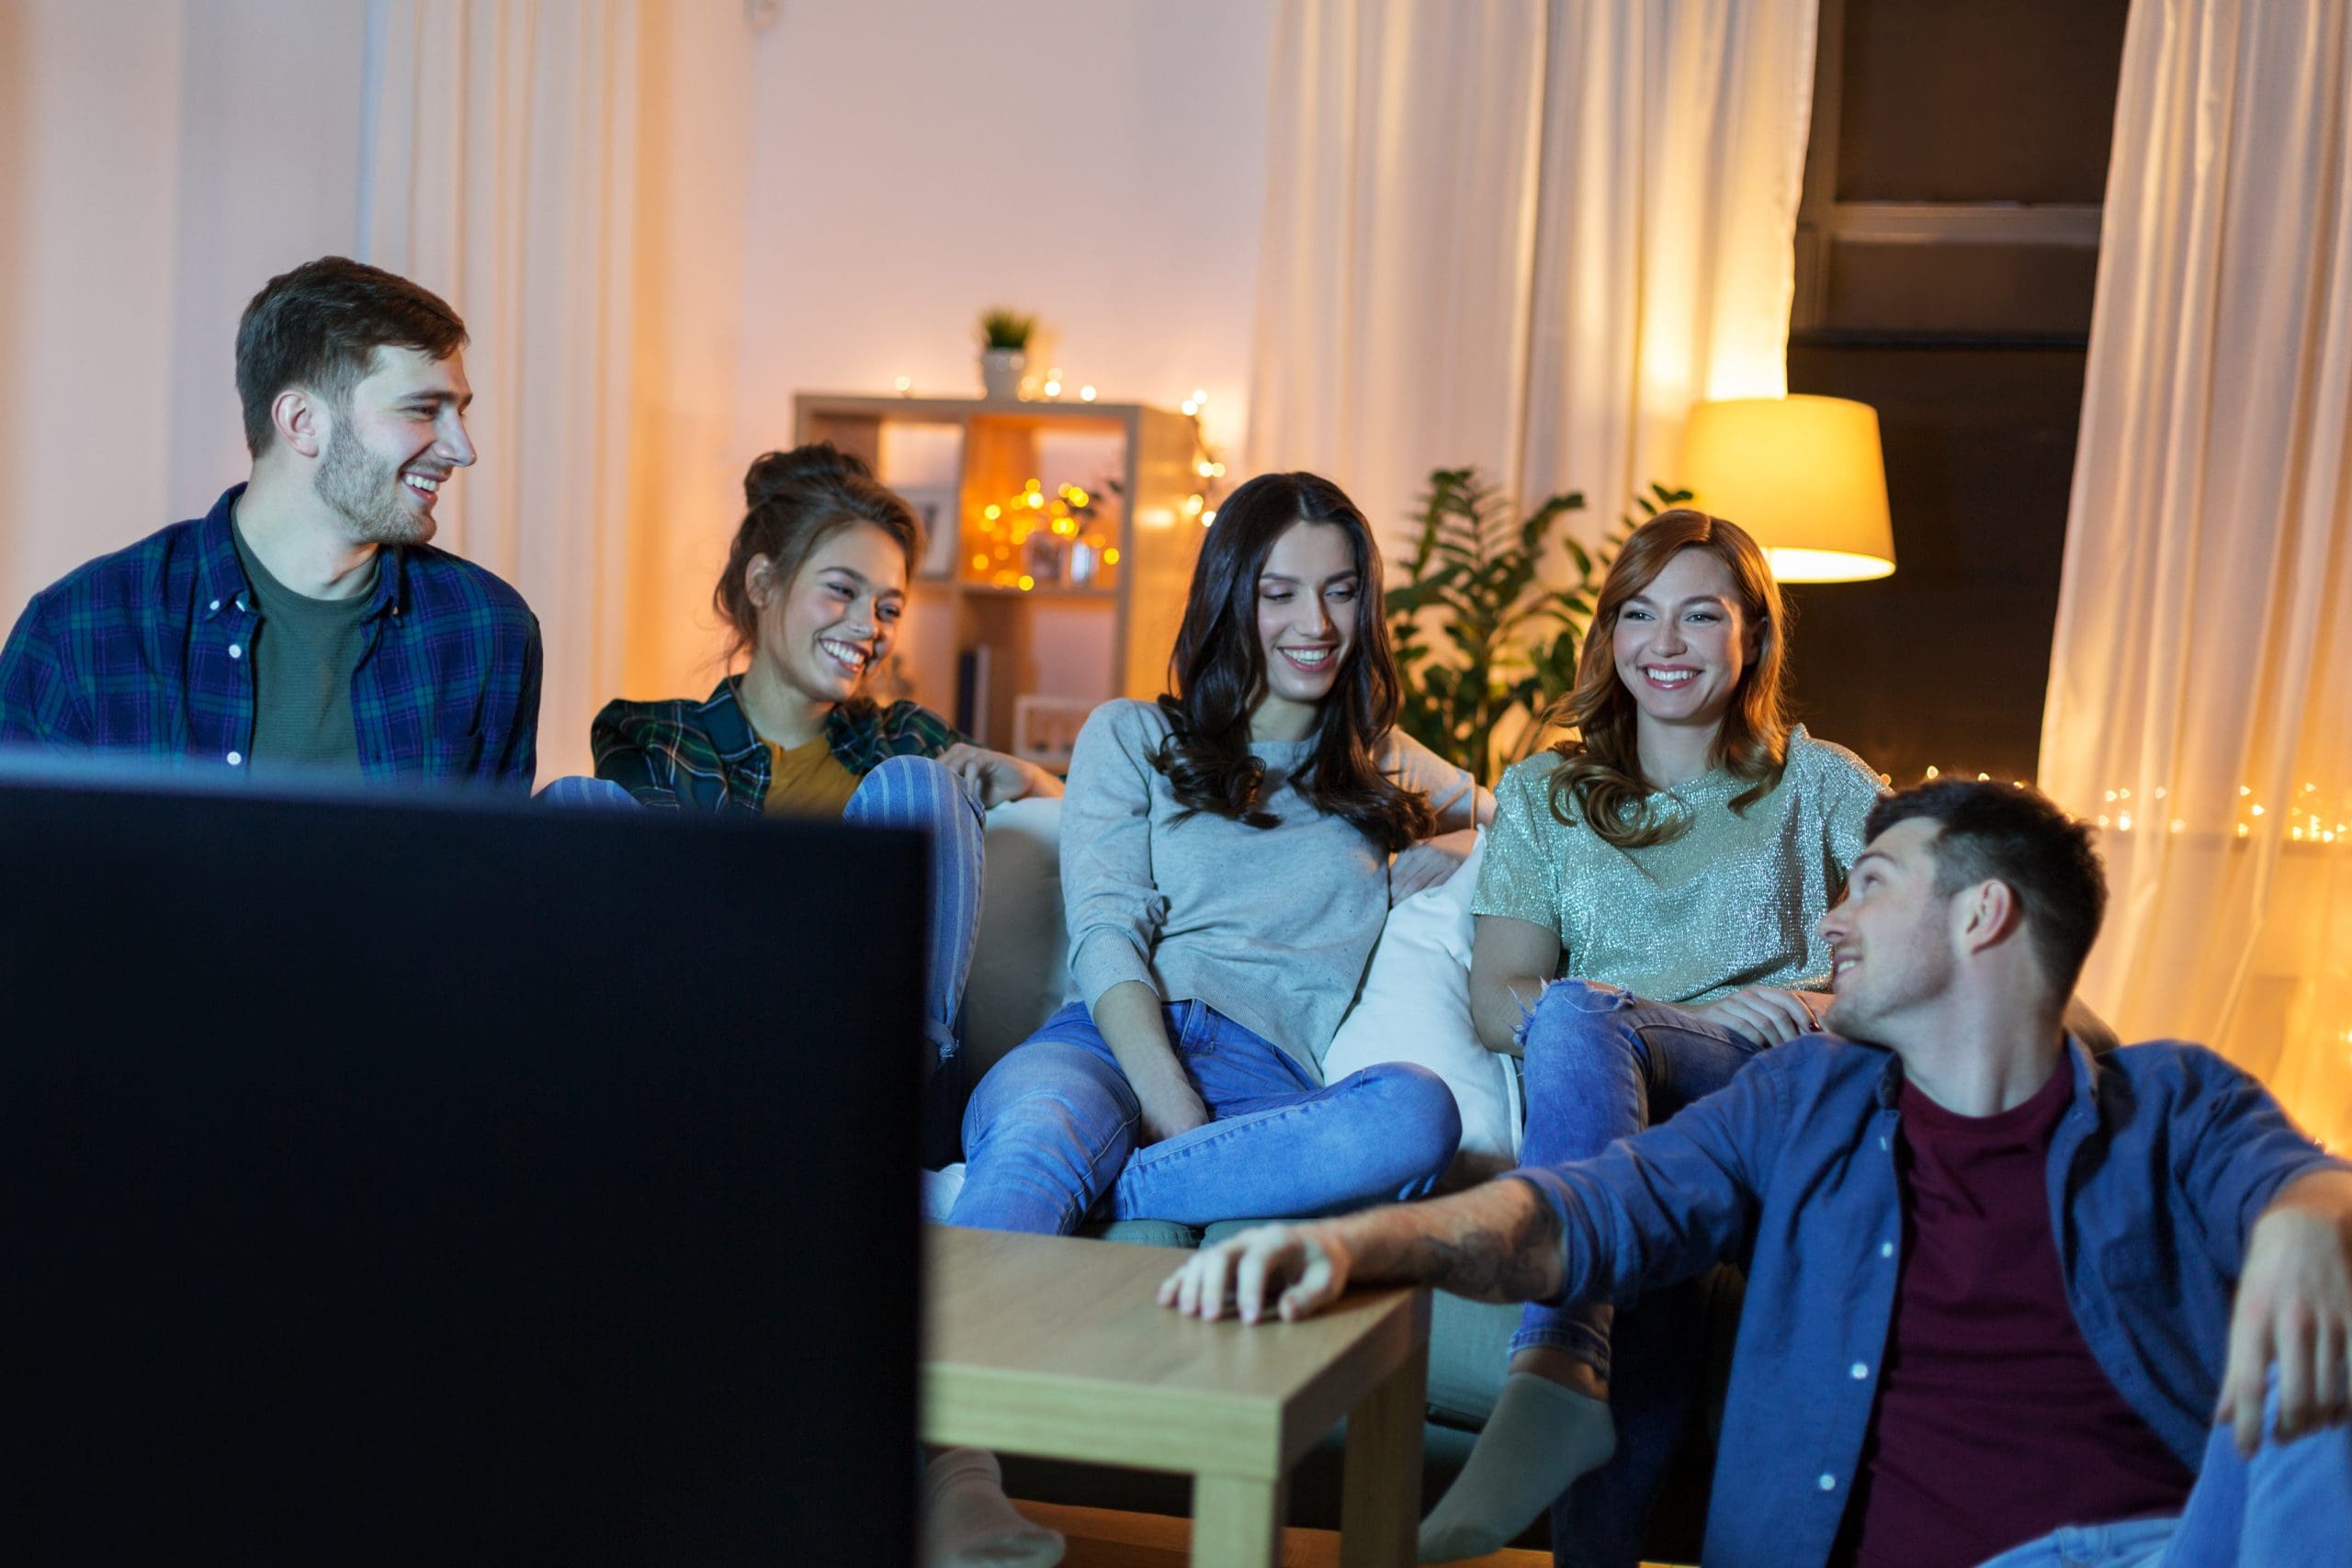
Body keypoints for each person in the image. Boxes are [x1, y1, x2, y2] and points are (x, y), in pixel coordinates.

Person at [1163, 780, 2352, 1568]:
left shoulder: (2176, 1102)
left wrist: (2311, 1213)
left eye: (1873, 885)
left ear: (1986, 914)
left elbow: (2314, 1190)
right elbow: (1580, 1213)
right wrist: (1350, 1242)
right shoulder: (1806, 1101)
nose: (1834, 923)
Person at [1420, 509, 1885, 1562]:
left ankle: (1548, 1365)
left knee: (1588, 1023)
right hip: (1624, 1115)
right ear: (1608, 635)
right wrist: (1654, 1014)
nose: (1663, 644)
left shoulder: (1822, 787)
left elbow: (1919, 952)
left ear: (1752, 638)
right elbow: (1502, 1000)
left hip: (1761, 1095)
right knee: (1636, 1192)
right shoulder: (1548, 794)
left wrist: (1810, 1007)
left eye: (1698, 615)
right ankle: (1572, 1392)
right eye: (1638, 614)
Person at [946, 468, 1490, 1238]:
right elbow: (1106, 929)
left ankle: (1117, 1190)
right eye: (1281, 594)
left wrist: (1469, 839)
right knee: (1040, 1134)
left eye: (1339, 591)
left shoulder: (1381, 763)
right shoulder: (1133, 734)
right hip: (1105, 1044)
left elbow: (1533, 828)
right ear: (1234, 596)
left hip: (1266, 1086)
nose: (1318, 624)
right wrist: (1166, 1092)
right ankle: (934, 1350)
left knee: (1417, 1111)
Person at [594, 441, 1061, 1163]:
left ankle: (880, 1118)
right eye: (840, 590)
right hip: (706, 1054)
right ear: (762, 581)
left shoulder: (906, 739)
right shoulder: (654, 735)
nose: (867, 627)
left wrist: (1031, 780)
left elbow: (1088, 828)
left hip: (876, 1077)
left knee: (918, 783)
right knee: (579, 802)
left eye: (888, 607)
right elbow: (670, 923)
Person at [0, 256, 540, 787]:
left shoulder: (489, 631)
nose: (463, 450)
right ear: (301, 422)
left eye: (460, 412)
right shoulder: (79, 631)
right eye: (423, 410)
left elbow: (492, 873)